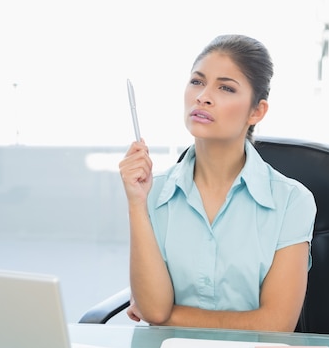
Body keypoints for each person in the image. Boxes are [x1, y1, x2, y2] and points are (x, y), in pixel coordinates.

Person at [119, 34, 317, 332]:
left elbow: (275, 325)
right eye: (197, 82)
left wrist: (167, 316)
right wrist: (136, 202)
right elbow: (153, 308)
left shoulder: (291, 201)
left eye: (225, 87)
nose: (203, 96)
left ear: (256, 111)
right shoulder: (151, 191)